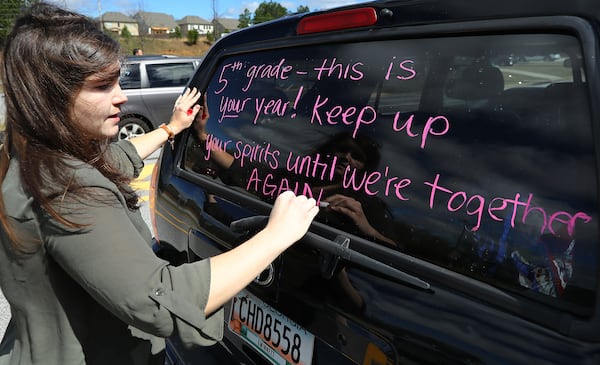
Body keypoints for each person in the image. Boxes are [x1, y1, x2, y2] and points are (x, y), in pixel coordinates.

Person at [0, 3, 318, 365]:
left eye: (118, 81)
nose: (121, 95)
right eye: (103, 86)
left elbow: (114, 159)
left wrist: (171, 129)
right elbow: (160, 300)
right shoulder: (68, 186)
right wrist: (276, 235)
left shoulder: (28, 153)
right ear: (50, 97)